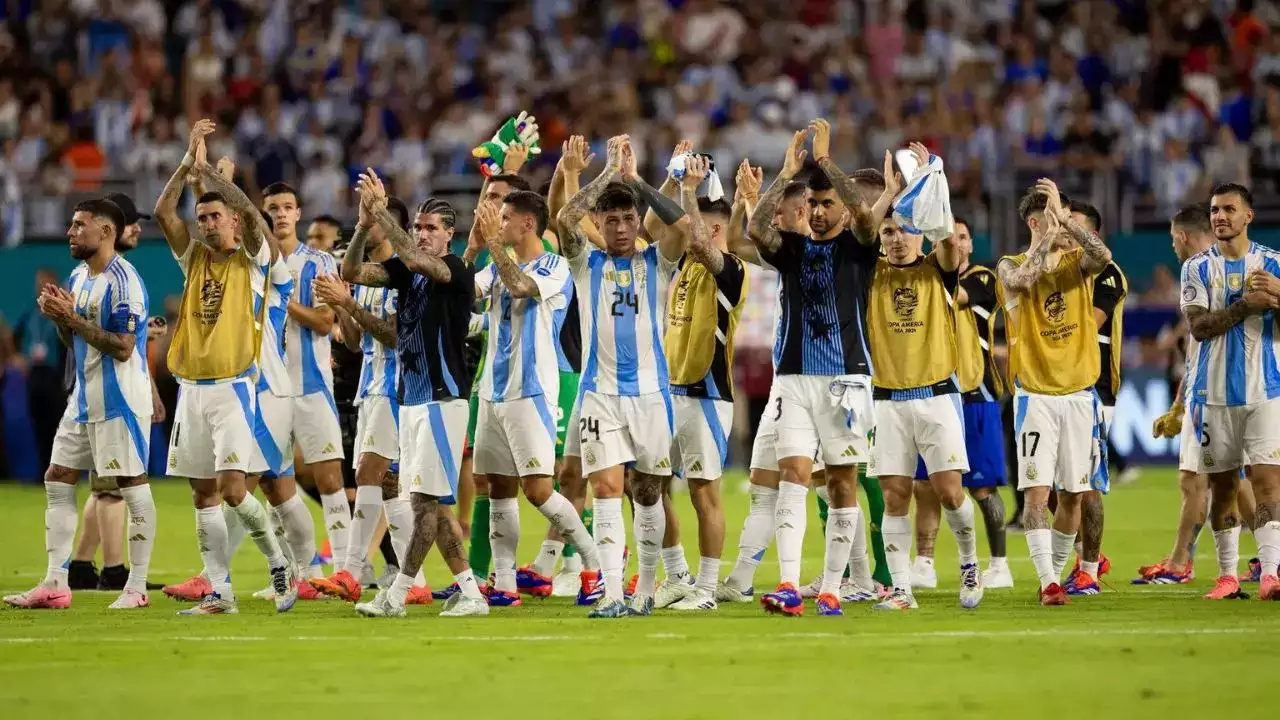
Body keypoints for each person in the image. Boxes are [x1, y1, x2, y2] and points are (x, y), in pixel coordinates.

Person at [153, 119, 294, 615]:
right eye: (204, 217)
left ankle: (280, 563)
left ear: (234, 221)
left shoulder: (254, 262)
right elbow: (162, 210)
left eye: (216, 217)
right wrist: (190, 167)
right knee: (202, 495)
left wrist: (218, 179)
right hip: (191, 389)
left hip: (235, 389)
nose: (208, 224)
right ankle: (220, 592)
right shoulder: (193, 259)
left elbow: (256, 223)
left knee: (235, 490)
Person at [743, 123, 884, 616]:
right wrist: (783, 177)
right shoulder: (794, 249)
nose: (821, 213)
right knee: (793, 475)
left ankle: (830, 586)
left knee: (843, 482)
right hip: (794, 379)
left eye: (828, 205)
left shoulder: (860, 246)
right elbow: (756, 231)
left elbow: (867, 214)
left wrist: (825, 163)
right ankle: (786, 582)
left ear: (840, 209)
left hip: (847, 379)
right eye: (815, 205)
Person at [341, 170, 488, 618]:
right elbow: (351, 272)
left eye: (430, 228)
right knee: (432, 505)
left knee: (424, 503)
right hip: (411, 399)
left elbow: (425, 265)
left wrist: (383, 210)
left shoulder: (456, 270)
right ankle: (471, 594)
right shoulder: (405, 273)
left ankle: (398, 595)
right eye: (418, 228)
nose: (422, 235)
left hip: (445, 399)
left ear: (450, 235)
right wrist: (366, 224)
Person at [556, 135, 690, 617]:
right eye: (609, 220)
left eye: (627, 219)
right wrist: (605, 176)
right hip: (600, 397)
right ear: (600, 223)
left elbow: (683, 225)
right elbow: (565, 220)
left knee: (647, 491)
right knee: (608, 489)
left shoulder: (658, 262)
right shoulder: (584, 263)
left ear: (638, 223)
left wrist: (635, 182)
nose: (618, 227)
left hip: (653, 396)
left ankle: (647, 588)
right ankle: (614, 592)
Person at [3, 199, 157, 611]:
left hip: (120, 400)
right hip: (84, 397)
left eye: (78, 226)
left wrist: (71, 320)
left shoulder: (125, 282)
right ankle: (56, 581)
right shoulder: (79, 276)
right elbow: (73, 343)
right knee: (58, 476)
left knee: (130, 485)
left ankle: (136, 587)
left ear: (105, 232)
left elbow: (123, 348)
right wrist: (59, 317)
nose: (70, 233)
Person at [864, 144, 984, 613]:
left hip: (936, 396)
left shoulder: (938, 270)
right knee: (895, 496)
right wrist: (891, 194)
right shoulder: (870, 274)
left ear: (921, 234)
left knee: (950, 490)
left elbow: (951, 242)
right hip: (888, 400)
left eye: (905, 231)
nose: (896, 240)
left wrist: (934, 181)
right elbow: (858, 237)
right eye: (889, 232)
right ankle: (901, 589)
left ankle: (970, 565)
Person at [470, 189, 602, 607]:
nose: (501, 223)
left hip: (532, 392)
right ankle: (505, 583)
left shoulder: (554, 265)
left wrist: (491, 243)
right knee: (499, 488)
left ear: (528, 223)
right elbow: (467, 292)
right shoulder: (494, 262)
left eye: (506, 217)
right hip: (493, 391)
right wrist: (475, 246)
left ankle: (595, 567)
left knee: (538, 489)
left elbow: (522, 286)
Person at [310, 196, 432, 605]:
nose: (365, 225)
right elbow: (360, 342)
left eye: (373, 220)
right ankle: (416, 581)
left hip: (398, 387)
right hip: (372, 385)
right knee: (390, 486)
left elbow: (396, 336)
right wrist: (342, 304)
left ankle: (350, 569)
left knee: (366, 473)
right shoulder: (370, 279)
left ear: (392, 227)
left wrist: (348, 304)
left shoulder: (407, 278)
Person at [996, 178, 1112, 606]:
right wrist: (1047, 236)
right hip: (1036, 397)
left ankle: (1059, 575)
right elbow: (1025, 279)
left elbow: (1105, 256)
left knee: (1075, 495)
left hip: (1080, 396)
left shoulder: (1078, 262)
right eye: (1051, 216)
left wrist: (1065, 219)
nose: (1061, 225)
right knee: (1037, 494)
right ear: (1033, 221)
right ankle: (1048, 582)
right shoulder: (1008, 266)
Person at [651, 156, 747, 611]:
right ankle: (677, 576)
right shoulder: (683, 266)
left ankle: (706, 590)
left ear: (713, 231)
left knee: (702, 492)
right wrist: (672, 180)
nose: (686, 234)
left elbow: (706, 247)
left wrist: (689, 190)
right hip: (670, 393)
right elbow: (655, 224)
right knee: (646, 484)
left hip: (707, 394)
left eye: (695, 228)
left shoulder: (729, 269)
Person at [1179, 182, 1280, 601]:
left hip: (1264, 390)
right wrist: (1248, 304)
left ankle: (1272, 574)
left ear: (1248, 216)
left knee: (1268, 483)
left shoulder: (1274, 264)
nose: (1220, 217)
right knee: (1222, 486)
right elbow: (1199, 328)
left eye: (1229, 210)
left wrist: (1277, 298)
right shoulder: (1197, 268)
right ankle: (1227, 577)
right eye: (1215, 210)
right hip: (1213, 394)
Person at [67, 192, 167, 593]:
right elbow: (116, 345)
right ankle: (114, 571)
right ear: (109, 228)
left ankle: (78, 564)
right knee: (114, 487)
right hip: (104, 395)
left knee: (103, 484)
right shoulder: (106, 276)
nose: (137, 229)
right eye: (130, 222)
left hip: (96, 391)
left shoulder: (107, 276)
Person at [1142, 203, 1239, 593]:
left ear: (1182, 236)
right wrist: (1180, 402)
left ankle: (1264, 562)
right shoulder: (1215, 267)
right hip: (1204, 390)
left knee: (1232, 481)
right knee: (1201, 479)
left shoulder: (1200, 269)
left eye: (1171, 239)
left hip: (1223, 392)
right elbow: (1194, 347)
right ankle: (1181, 560)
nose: (1171, 246)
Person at [262, 181, 353, 581]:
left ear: (298, 213)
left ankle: (347, 572)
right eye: (273, 209)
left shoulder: (318, 263)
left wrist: (282, 299)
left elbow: (323, 321)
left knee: (330, 480)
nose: (281, 214)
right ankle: (300, 571)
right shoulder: (253, 264)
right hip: (268, 389)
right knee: (272, 484)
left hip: (312, 385)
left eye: (287, 207)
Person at [1062, 200, 1127, 596]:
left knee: (1086, 485)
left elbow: (1083, 324)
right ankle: (1085, 555)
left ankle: (1089, 568)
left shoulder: (1108, 274)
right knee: (1055, 487)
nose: (1067, 236)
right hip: (1056, 387)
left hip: (1095, 389)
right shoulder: (1059, 269)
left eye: (1075, 229)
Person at [14, 268, 67, 474]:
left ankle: (60, 470)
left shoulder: (61, 314)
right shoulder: (30, 314)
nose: (40, 287)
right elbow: (14, 337)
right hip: (35, 374)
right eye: (38, 283)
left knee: (58, 425)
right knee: (38, 423)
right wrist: (18, 357)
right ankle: (42, 471)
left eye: (45, 283)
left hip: (55, 375)